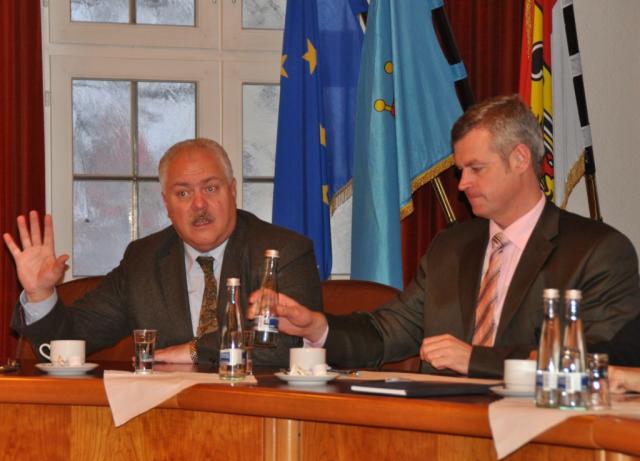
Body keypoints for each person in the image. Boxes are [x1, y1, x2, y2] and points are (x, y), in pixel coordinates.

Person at [249, 95, 640, 378]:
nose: (462, 183)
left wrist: (475, 359)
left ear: (520, 159)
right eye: (460, 170)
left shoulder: (597, 251)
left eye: (475, 169)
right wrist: (316, 327)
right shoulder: (452, 246)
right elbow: (388, 332)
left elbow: (598, 360)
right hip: (443, 431)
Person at [3, 138, 322, 366]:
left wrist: (195, 350)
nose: (199, 204)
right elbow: (68, 343)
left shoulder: (282, 251)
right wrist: (40, 294)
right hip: (164, 424)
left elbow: (286, 346)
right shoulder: (142, 260)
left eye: (211, 188)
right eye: (183, 193)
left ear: (233, 190)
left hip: (259, 421)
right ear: (167, 204)